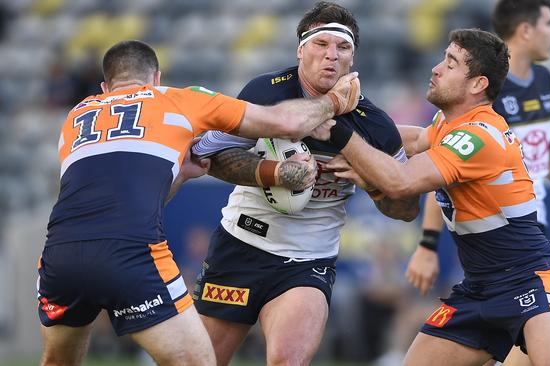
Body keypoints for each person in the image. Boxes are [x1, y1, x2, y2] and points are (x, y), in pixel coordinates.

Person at [36, 39, 360, 366]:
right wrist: (332, 101)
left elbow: (117, 193)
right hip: (130, 252)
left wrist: (179, 175)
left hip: (59, 257)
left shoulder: (77, 116)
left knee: (58, 362)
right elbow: (287, 123)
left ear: (106, 87)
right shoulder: (178, 99)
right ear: (157, 78)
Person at [326, 28, 550, 365]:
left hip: (530, 282)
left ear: (477, 84)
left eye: (450, 63)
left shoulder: (476, 137)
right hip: (477, 290)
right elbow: (415, 140)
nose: (436, 69)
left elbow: (400, 182)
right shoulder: (451, 123)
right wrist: (355, 119)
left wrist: (338, 130)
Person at [190, 2, 420, 365]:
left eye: (342, 48)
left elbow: (406, 208)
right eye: (321, 45)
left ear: (352, 60)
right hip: (241, 244)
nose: (331, 56)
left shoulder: (374, 124)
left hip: (307, 259)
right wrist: (275, 173)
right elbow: (206, 156)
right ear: (300, 51)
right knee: (201, 361)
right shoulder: (266, 92)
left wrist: (370, 181)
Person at [404, 1, 550, 364]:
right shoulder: (479, 96)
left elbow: (549, 148)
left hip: (527, 237)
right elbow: (443, 171)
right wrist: (428, 243)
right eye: (549, 22)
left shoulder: (541, 80)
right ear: (525, 30)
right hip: (488, 243)